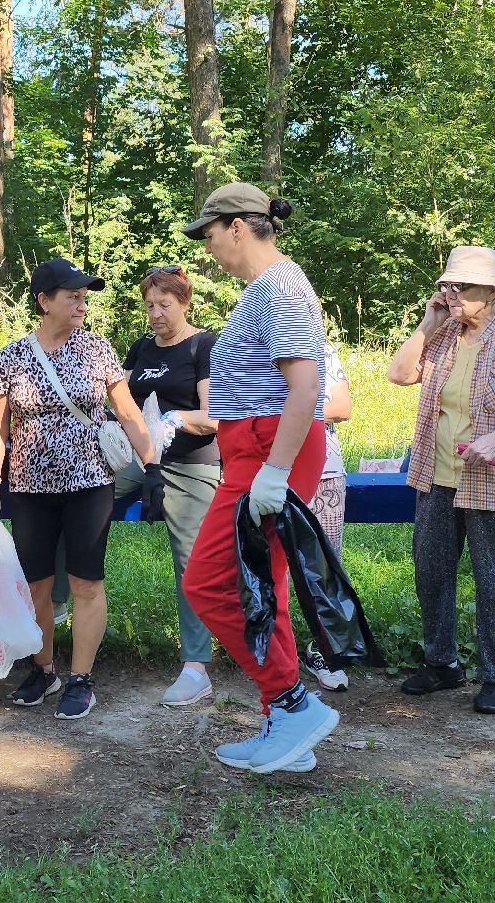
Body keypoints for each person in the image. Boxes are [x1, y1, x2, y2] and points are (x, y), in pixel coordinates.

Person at [178, 183, 338, 775]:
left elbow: (305, 390)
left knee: (209, 584)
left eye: (211, 234)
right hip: (255, 450)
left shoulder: (281, 288)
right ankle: (284, 725)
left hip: (274, 450)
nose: (208, 247)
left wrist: (274, 472)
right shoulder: (262, 291)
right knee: (260, 590)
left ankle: (294, 702)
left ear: (239, 227)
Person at [0, 258, 156, 720]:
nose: (81, 303)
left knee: (85, 581)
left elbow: (130, 414)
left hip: (89, 484)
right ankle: (44, 669)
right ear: (43, 301)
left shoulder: (97, 349)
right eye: (71, 296)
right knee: (35, 585)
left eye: (84, 296)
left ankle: (81, 679)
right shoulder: (13, 355)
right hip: (30, 487)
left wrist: (151, 464)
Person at [385, 246, 495, 714]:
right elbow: (398, 375)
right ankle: (442, 664)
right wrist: (428, 321)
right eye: (447, 286)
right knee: (431, 572)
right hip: (436, 476)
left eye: (461, 287)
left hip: (494, 479)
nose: (450, 294)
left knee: (493, 580)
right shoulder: (442, 334)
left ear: (492, 292)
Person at [113, 265, 222, 707]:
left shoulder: (202, 345)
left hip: (190, 462)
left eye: (165, 304)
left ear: (184, 303)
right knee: (80, 501)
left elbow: (212, 416)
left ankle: (196, 666)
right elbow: (119, 403)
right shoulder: (140, 348)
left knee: (190, 560)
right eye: (150, 305)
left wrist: (173, 420)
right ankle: (59, 605)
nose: (156, 313)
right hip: (142, 459)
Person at [300, 341, 354, 694]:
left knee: (325, 565)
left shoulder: (321, 349)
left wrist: (290, 405)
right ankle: (267, 650)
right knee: (262, 566)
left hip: (322, 471)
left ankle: (324, 648)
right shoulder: (250, 346)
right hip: (261, 468)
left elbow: (342, 406)